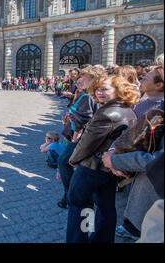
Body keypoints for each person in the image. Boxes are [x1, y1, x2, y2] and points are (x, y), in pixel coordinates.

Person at [66, 75, 139, 243]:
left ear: (119, 90)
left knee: (78, 204)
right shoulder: (128, 109)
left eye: (105, 89)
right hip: (109, 169)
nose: (99, 92)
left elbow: (86, 144)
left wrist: (73, 159)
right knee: (106, 207)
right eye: (98, 88)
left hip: (92, 168)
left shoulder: (107, 113)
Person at [103, 100, 164, 241]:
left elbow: (158, 161)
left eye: (146, 78)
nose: (142, 81)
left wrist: (115, 161)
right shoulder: (160, 107)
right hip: (143, 186)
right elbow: (136, 132)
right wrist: (114, 151)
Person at [57, 67, 101, 209]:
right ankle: (70, 194)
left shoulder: (88, 96)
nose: (79, 80)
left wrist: (75, 140)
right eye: (79, 78)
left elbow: (83, 121)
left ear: (93, 80)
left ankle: (70, 194)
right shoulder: (83, 94)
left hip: (80, 138)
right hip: (75, 133)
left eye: (84, 78)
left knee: (64, 162)